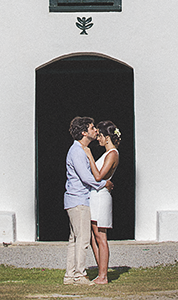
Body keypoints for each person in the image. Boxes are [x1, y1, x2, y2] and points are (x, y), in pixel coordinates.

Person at [63, 116, 113, 285]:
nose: (95, 130)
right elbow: (86, 177)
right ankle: (79, 274)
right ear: (84, 132)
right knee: (83, 239)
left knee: (74, 239)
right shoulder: (77, 151)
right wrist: (103, 184)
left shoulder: (80, 150)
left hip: (75, 200)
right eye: (92, 128)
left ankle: (70, 275)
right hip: (79, 200)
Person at [84, 120, 121, 284]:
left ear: (107, 137)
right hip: (95, 196)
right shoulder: (107, 154)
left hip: (100, 198)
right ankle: (101, 271)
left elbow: (99, 176)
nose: (97, 138)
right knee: (94, 237)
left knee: (101, 237)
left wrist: (90, 156)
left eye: (99, 135)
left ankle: (103, 276)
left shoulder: (112, 154)